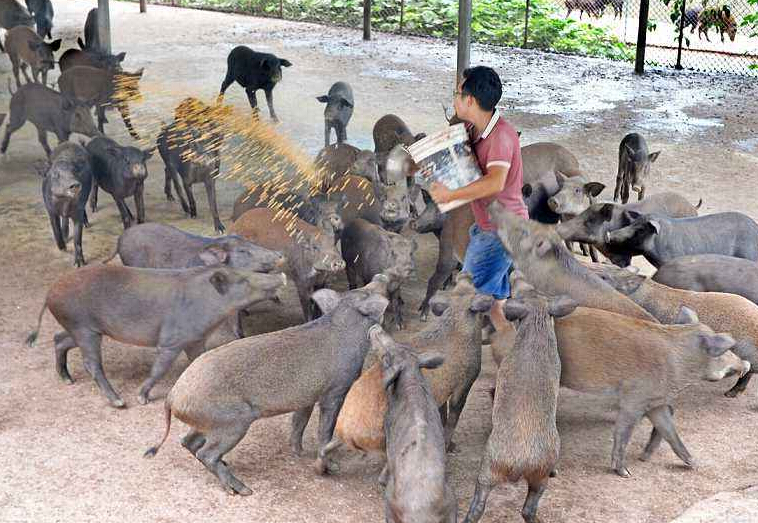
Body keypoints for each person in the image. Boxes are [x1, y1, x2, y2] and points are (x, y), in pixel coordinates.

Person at [428, 66, 528, 333]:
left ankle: (449, 361)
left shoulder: (501, 137)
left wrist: (451, 195)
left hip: (500, 232)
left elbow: (495, 182)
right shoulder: (475, 130)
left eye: (457, 94)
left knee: (464, 297)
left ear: (469, 100)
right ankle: (514, 353)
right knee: (497, 304)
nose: (454, 99)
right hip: (488, 226)